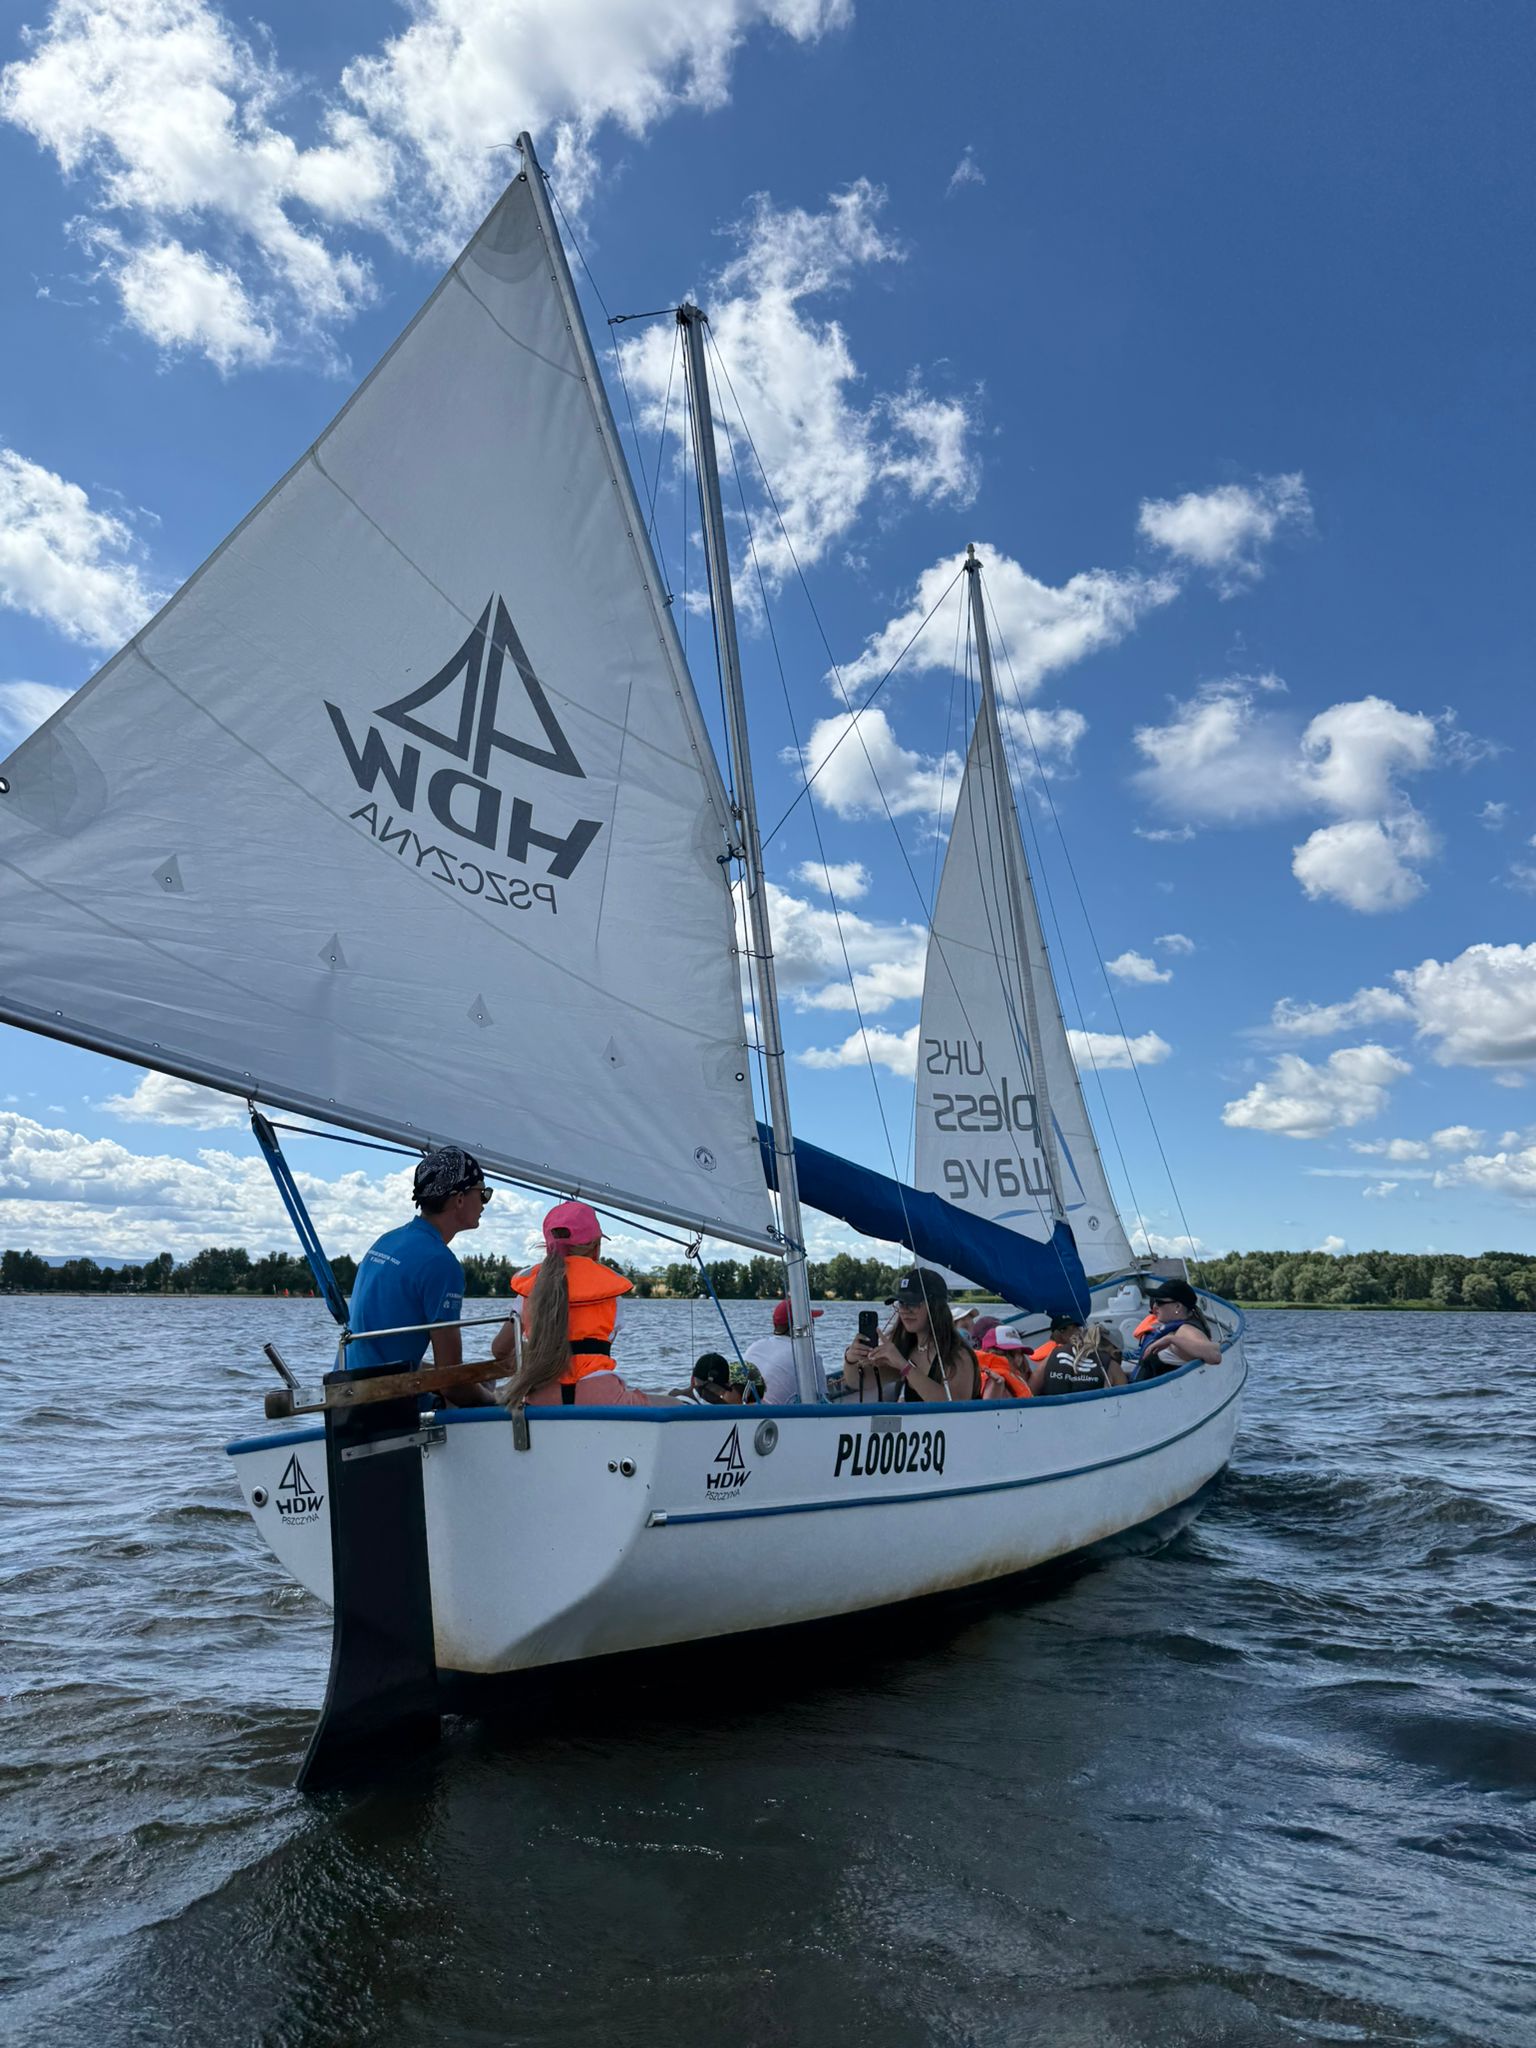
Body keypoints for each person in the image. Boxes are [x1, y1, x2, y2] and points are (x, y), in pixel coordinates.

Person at [346, 1145, 496, 1404]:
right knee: (488, 1394)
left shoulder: (388, 1241)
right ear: (459, 1199)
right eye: (483, 1193)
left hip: (348, 1391)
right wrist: (499, 1401)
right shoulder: (441, 1263)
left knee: (481, 1380)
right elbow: (451, 1385)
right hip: (386, 1406)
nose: (484, 1202)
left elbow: (381, 1355)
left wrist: (476, 1378)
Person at [492, 1200, 677, 1406]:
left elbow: (499, 1350)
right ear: (596, 1248)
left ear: (548, 1248)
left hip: (541, 1396)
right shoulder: (610, 1292)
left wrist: (533, 1358)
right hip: (601, 1395)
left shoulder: (527, 1292)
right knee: (673, 1405)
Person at [843, 1267, 979, 1404]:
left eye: (913, 1303)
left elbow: (956, 1407)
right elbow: (856, 1381)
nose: (904, 1310)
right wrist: (850, 1358)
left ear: (935, 1307)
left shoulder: (958, 1355)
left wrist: (904, 1367)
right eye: (901, 1303)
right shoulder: (907, 1350)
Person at [1133, 1280, 1222, 1379]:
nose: (1154, 1307)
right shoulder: (1181, 1326)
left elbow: (1215, 1355)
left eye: (1159, 1302)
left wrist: (1171, 1339)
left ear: (1178, 1307)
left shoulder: (1186, 1330)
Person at [744, 1297, 825, 1405]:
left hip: (747, 1410)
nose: (813, 1325)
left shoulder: (755, 1346)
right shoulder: (810, 1357)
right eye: (810, 1321)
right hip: (779, 1417)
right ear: (798, 1326)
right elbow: (822, 1401)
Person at [1028, 1321, 1128, 1397]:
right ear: (1115, 1353)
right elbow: (1126, 1402)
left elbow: (1029, 1392)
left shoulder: (1054, 1355)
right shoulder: (1112, 1367)